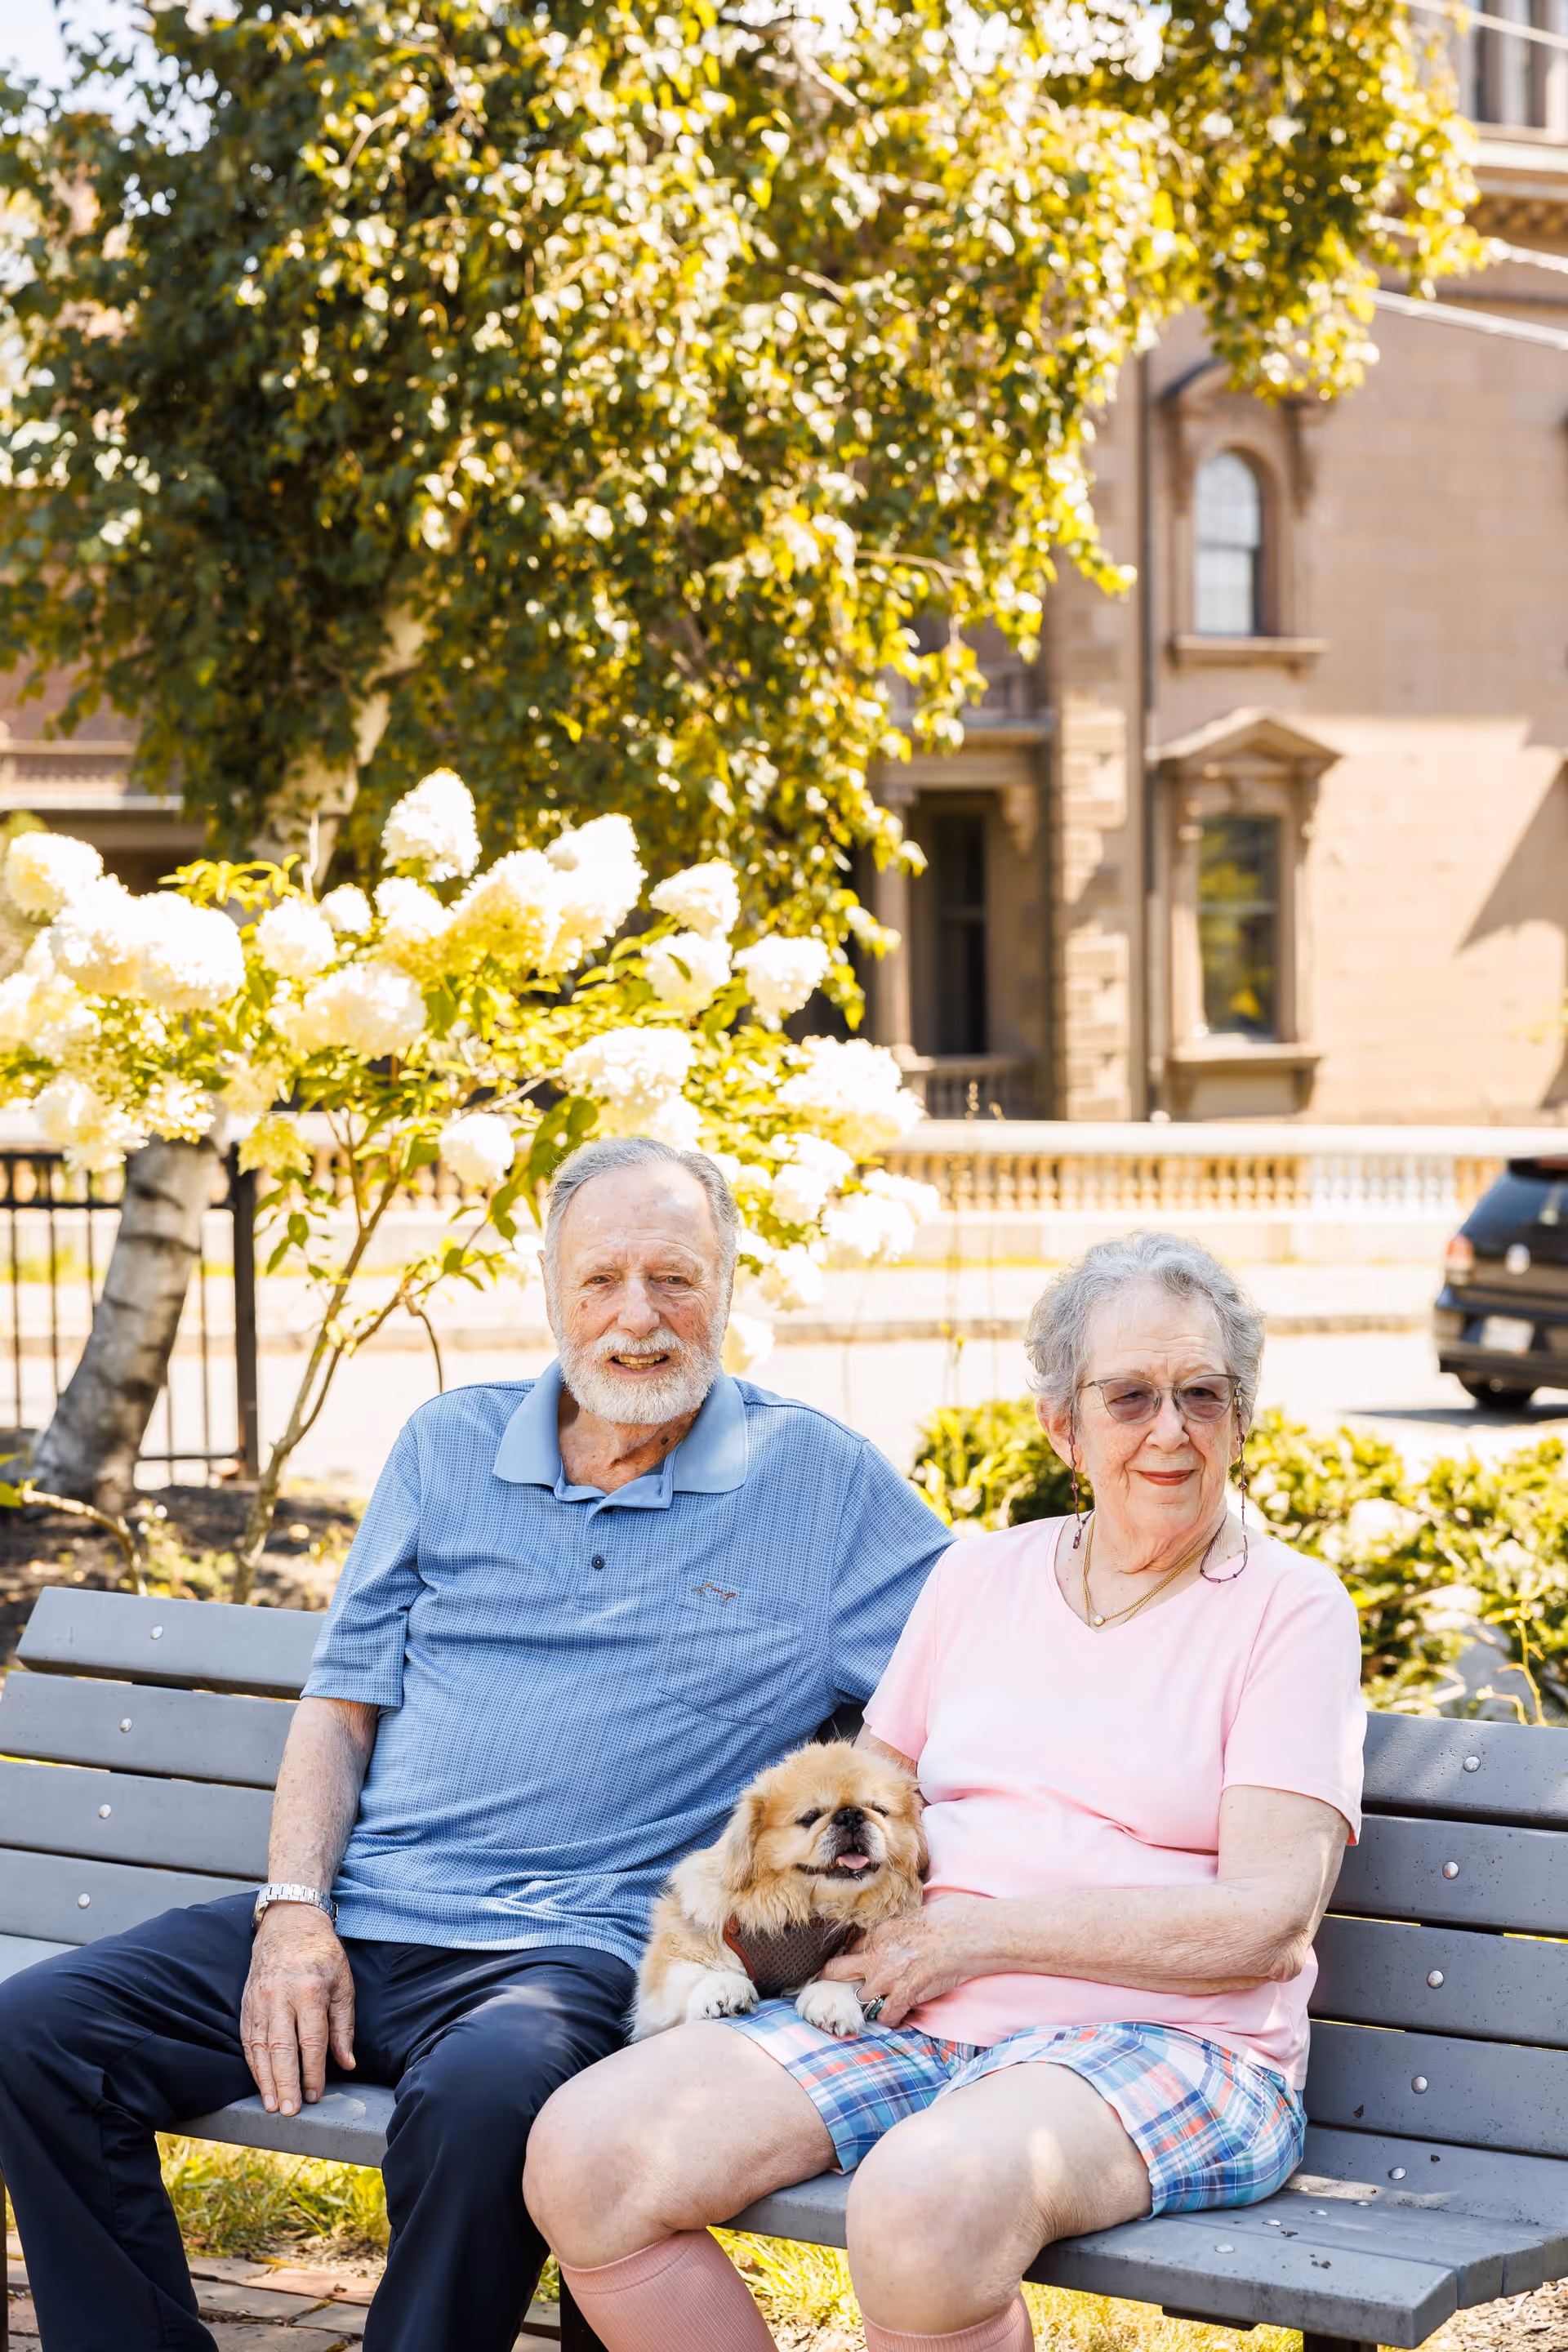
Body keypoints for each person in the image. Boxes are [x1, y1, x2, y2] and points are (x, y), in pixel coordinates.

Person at [0, 1135, 951, 2352]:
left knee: (482, 2102)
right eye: (600, 1281)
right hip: (361, 1917)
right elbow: (338, 1713)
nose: (638, 1318)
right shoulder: (446, 1448)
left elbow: (978, 1663)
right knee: (41, 2038)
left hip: (571, 1952)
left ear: (729, 1284)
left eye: (675, 1278)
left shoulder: (820, 1481)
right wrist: (294, 1913)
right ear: (551, 1291)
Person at [527, 1229, 1366, 2352]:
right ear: (1062, 1425)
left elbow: (1264, 1924)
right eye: (1129, 1398)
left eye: (1202, 1396)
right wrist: (740, 1916)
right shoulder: (981, 1576)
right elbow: (863, 1806)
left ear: (1241, 1420)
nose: (1171, 1431)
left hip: (1171, 2044)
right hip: (920, 2012)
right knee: (586, 2155)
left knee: (922, 2209)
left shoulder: (1289, 1611)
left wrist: (975, 1943)